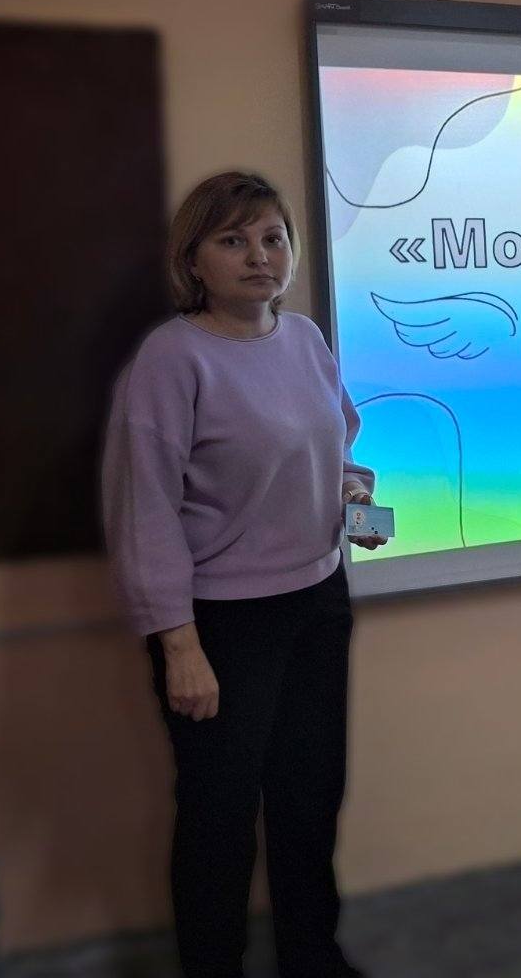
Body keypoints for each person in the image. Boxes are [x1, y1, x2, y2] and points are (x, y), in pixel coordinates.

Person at [102, 171, 386, 976]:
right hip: (222, 623)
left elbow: (336, 441)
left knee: (310, 795)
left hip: (318, 599)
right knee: (219, 815)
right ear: (194, 260)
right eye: (233, 241)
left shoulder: (305, 340)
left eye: (272, 238)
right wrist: (179, 646)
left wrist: (351, 492)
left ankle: (311, 956)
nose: (259, 256)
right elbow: (145, 511)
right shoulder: (172, 358)